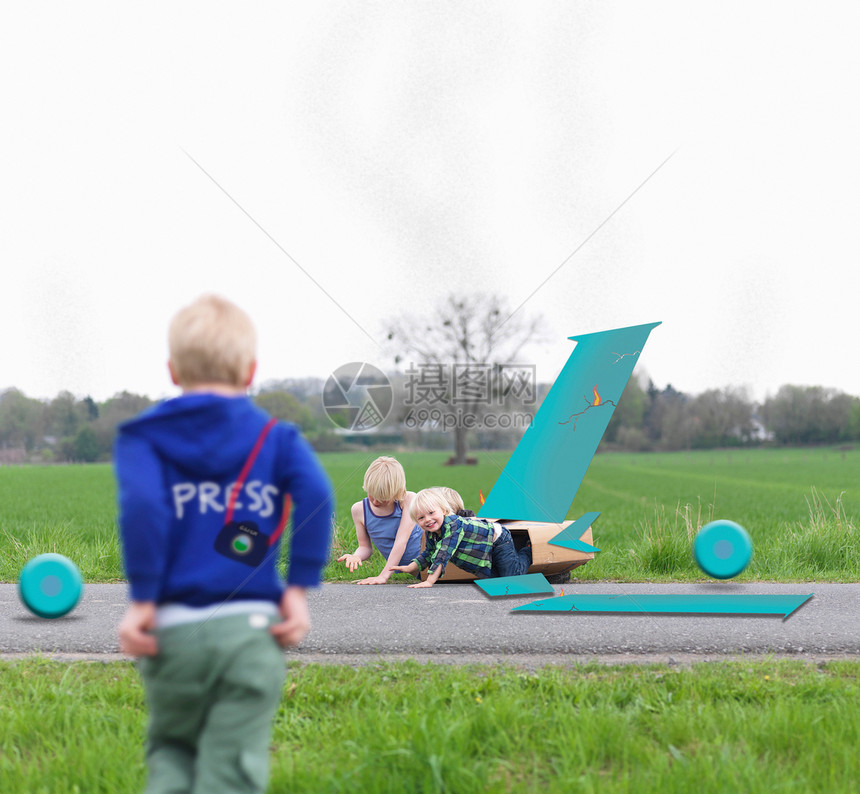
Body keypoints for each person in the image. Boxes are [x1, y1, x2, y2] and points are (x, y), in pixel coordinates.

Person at [114, 293, 334, 794]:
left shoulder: (142, 436)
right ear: (251, 370)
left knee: (172, 752)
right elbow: (318, 497)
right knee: (231, 772)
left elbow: (144, 510)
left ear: (173, 370)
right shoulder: (278, 438)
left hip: (172, 635)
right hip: (251, 633)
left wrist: (143, 599)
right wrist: (298, 588)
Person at [390, 488, 531, 588]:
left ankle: (527, 551)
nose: (427, 519)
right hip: (480, 553)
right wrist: (411, 566)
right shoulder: (431, 533)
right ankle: (511, 559)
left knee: (511, 579)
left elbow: (442, 554)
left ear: (444, 511)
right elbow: (428, 553)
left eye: (431, 513)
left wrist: (429, 581)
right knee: (497, 584)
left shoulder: (453, 525)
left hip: (498, 539)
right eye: (421, 517)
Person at [336, 456, 422, 585]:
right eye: (372, 495)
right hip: (408, 572)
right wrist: (356, 556)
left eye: (383, 499)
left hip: (430, 564)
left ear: (396, 492)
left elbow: (401, 541)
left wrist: (383, 576)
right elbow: (365, 547)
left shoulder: (408, 500)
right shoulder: (359, 510)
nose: (376, 502)